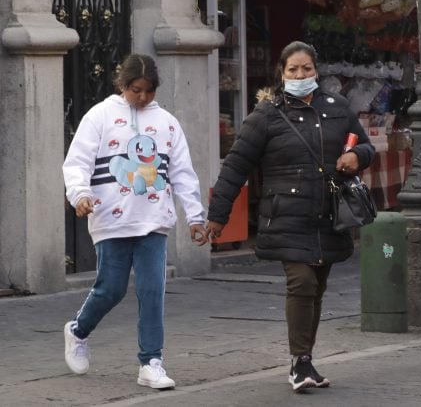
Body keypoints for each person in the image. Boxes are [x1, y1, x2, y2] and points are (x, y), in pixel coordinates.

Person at [207, 41, 375, 392]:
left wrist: (357, 155)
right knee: (302, 282)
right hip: (286, 215)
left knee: (317, 288)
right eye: (293, 70)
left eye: (307, 69)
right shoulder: (267, 115)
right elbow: (236, 166)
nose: (301, 75)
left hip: (328, 215)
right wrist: (217, 217)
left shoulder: (337, 107)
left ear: (317, 71)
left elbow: (365, 145)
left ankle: (305, 359)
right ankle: (300, 363)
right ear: (281, 74)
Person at [62, 54, 209, 389]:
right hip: (111, 218)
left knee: (152, 291)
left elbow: (182, 172)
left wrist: (195, 216)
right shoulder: (99, 116)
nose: (142, 97)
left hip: (154, 220)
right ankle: (78, 330)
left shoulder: (168, 123)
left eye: (148, 91)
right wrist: (80, 194)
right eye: (135, 90)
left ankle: (151, 362)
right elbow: (77, 161)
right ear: (122, 85)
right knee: (110, 289)